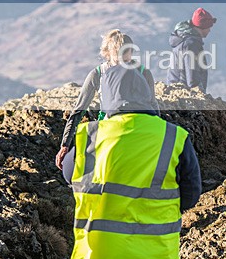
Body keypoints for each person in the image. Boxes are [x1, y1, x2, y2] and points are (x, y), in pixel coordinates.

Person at [59, 74, 201, 259]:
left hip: (107, 250)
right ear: (147, 96)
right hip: (156, 251)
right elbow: (190, 196)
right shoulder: (174, 136)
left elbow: (70, 175)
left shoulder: (91, 135)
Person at [56, 30, 158, 167]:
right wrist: (65, 144)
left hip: (137, 127)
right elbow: (79, 110)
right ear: (107, 54)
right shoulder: (98, 74)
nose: (123, 65)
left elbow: (153, 106)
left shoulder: (143, 73)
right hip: (108, 127)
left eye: (127, 60)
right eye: (118, 60)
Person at [166, 7, 216, 92]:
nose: (209, 30)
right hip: (184, 91)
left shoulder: (184, 40)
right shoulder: (191, 44)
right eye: (209, 27)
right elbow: (192, 73)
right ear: (202, 26)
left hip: (176, 88)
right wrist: (198, 91)